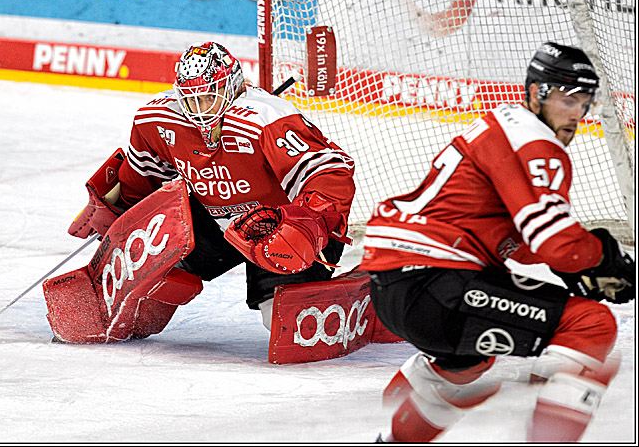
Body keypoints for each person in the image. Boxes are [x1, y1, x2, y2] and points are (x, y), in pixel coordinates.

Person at [361, 41, 635, 443]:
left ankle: (409, 419)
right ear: (535, 92)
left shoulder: (501, 124)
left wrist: (574, 262)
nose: (578, 112)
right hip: (436, 282)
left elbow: (516, 238)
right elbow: (556, 243)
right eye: (567, 97)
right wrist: (602, 258)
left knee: (469, 365)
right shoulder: (536, 143)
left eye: (585, 101)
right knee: (590, 324)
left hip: (395, 286)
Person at [63, 41, 355, 335]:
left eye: (208, 97)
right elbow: (144, 179)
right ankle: (116, 320)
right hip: (218, 222)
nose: (199, 110)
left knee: (282, 321)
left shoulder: (265, 119)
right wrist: (119, 210)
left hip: (283, 227)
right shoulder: (158, 119)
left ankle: (363, 296)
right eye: (191, 99)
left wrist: (308, 223)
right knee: (150, 272)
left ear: (231, 88)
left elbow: (332, 172)